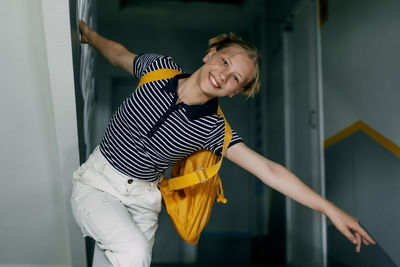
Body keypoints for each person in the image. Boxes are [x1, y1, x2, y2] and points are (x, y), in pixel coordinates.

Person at [72, 20, 375, 267]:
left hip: (142, 201)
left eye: (234, 79)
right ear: (210, 54)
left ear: (234, 92)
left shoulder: (214, 129)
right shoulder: (158, 68)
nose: (223, 75)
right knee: (133, 254)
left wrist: (330, 210)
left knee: (122, 258)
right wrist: (90, 36)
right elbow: (118, 54)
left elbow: (269, 170)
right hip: (99, 181)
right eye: (224, 61)